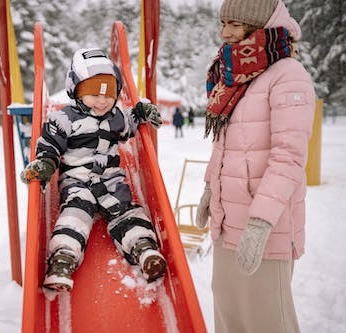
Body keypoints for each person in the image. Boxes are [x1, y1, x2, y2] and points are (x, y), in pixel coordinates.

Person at [195, 0, 315, 332]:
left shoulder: (288, 74)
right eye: (223, 23)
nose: (225, 33)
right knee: (229, 313)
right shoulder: (236, 74)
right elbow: (226, 144)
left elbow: (287, 157)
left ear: (260, 23)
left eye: (235, 24)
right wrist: (209, 187)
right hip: (227, 221)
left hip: (264, 228)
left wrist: (260, 223)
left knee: (266, 319)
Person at [21, 48, 166, 292]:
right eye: (93, 93)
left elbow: (129, 126)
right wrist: (46, 164)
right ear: (75, 90)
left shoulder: (116, 117)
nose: (102, 100)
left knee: (127, 213)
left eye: (109, 93)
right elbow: (49, 145)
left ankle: (144, 249)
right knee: (75, 215)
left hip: (110, 182)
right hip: (77, 183)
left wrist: (140, 112)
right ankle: (63, 259)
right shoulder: (63, 119)